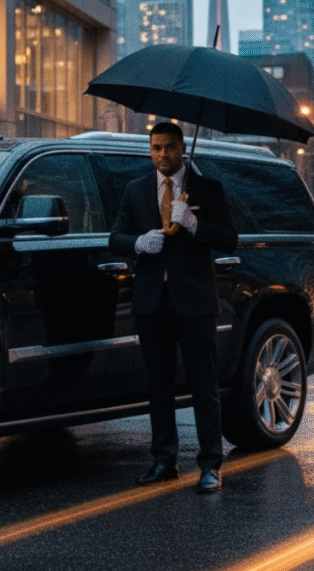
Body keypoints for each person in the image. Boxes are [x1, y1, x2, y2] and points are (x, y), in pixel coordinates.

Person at [109, 121, 238, 494]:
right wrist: (138, 242)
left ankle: (211, 464)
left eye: (168, 147)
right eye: (155, 148)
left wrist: (195, 223)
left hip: (195, 303)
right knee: (159, 386)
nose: (162, 154)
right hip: (152, 303)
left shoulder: (207, 189)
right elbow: (114, 237)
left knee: (203, 385)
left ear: (182, 148)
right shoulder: (136, 191)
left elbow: (230, 239)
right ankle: (164, 460)